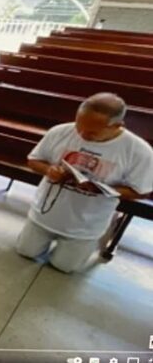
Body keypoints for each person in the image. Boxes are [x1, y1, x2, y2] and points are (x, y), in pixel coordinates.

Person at [16, 93, 153, 273]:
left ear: (117, 126)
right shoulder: (61, 131)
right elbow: (34, 160)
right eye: (79, 126)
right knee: (26, 252)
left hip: (87, 225)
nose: (82, 134)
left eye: (92, 132)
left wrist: (104, 190)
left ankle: (98, 235)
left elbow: (141, 191)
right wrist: (49, 170)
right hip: (45, 212)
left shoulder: (139, 151)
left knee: (63, 267)